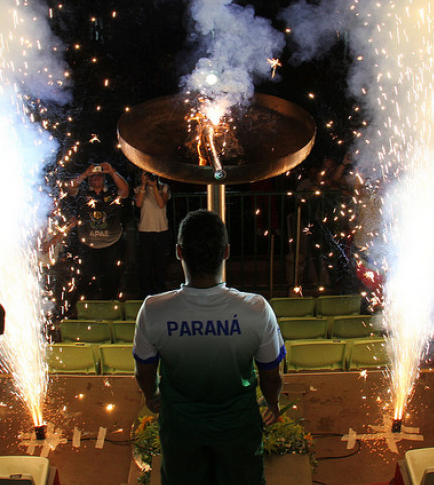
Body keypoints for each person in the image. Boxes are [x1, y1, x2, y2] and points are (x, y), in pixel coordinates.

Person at [133, 209, 285, 485]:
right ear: (226, 252)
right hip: (237, 429)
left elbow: (143, 373)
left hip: (181, 430)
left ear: (179, 252)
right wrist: (272, 402)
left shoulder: (153, 310)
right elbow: (271, 375)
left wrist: (151, 395)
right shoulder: (256, 309)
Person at [68, 162, 129, 300]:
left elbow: (125, 190)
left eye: (99, 175)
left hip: (111, 243)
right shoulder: (84, 193)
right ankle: (88, 305)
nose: (96, 178)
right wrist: (84, 174)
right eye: (93, 176)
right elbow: (70, 188)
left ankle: (111, 304)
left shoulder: (112, 192)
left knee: (112, 278)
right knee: (86, 279)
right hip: (88, 244)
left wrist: (112, 171)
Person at [134, 171, 171, 297]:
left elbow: (161, 203)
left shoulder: (164, 187)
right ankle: (146, 291)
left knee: (161, 263)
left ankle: (160, 289)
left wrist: (155, 187)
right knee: (146, 263)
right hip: (145, 230)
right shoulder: (139, 189)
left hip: (161, 230)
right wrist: (144, 185)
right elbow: (138, 204)